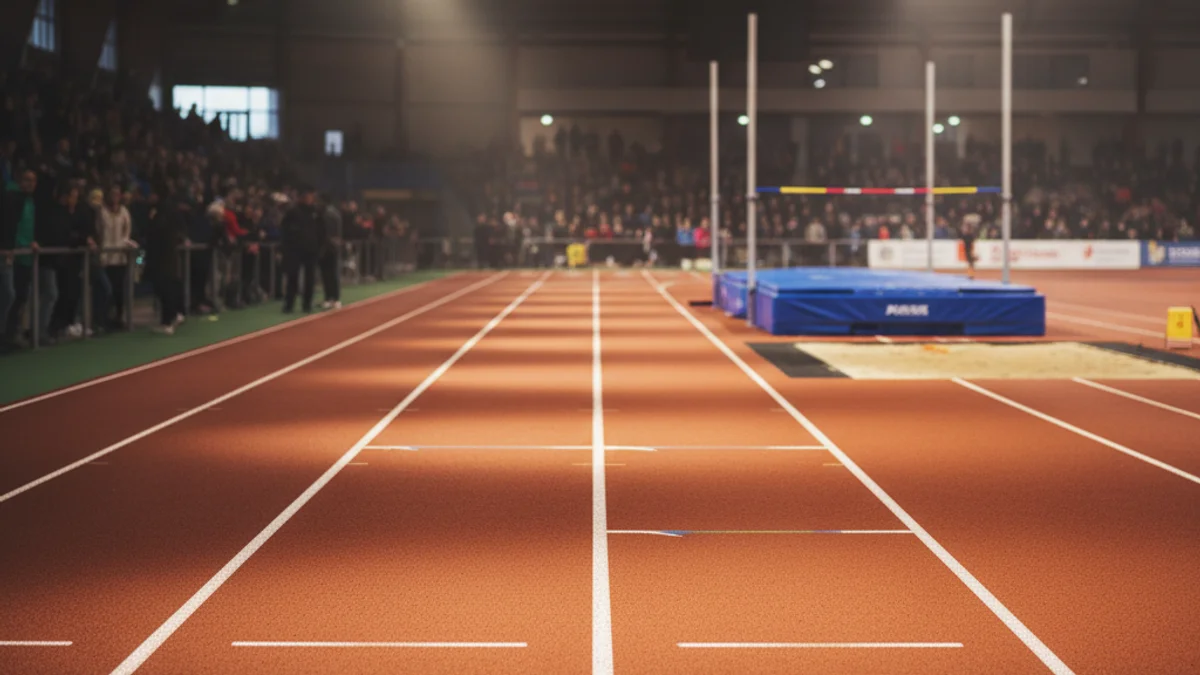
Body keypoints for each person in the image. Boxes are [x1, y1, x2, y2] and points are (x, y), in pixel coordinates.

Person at [3, 169, 59, 348]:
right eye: (27, 180)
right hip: (14, 254)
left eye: (33, 181)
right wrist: (20, 245)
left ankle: (11, 334)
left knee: (20, 297)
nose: (30, 184)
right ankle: (6, 335)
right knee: (10, 295)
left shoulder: (31, 201)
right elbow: (11, 226)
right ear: (20, 180)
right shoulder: (12, 198)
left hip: (26, 256)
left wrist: (32, 243)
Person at [144, 189, 187, 335]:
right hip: (168, 256)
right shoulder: (171, 210)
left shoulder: (160, 213)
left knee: (165, 288)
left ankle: (168, 321)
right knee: (170, 286)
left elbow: (155, 232)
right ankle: (175, 314)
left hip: (162, 257)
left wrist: (151, 220)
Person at [96, 184, 136, 330]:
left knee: (119, 290)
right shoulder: (102, 212)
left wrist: (125, 244)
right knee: (107, 290)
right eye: (112, 193)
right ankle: (103, 319)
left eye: (117, 194)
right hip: (105, 257)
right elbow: (99, 231)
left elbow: (127, 232)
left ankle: (119, 318)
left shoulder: (124, 212)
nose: (115, 196)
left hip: (120, 257)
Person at [280, 186, 323, 313]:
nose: (311, 198)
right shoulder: (292, 212)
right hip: (295, 250)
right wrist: (286, 247)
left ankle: (307, 304)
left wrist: (320, 246)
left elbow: (321, 231)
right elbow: (285, 230)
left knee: (310, 278)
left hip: (311, 249)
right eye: (308, 196)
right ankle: (289, 304)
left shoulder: (316, 212)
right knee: (292, 277)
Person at [320, 194, 342, 309]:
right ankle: (333, 298)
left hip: (328, 246)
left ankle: (331, 298)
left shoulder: (327, 214)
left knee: (329, 273)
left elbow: (327, 231)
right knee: (331, 273)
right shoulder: (335, 213)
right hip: (332, 245)